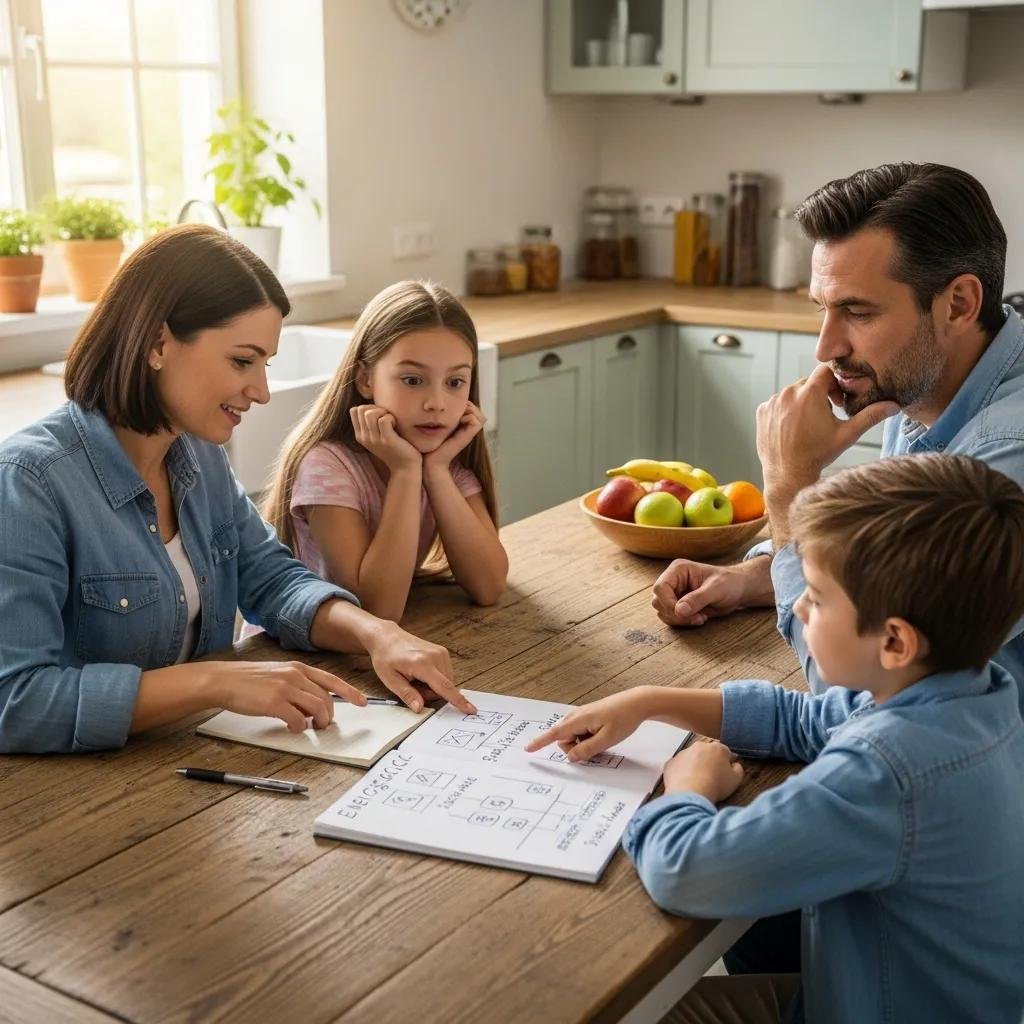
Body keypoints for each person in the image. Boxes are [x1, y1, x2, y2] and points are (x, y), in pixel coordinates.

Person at [528, 454, 1024, 1024]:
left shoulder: (886, 774)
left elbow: (689, 872)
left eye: (815, 595)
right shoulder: (976, 693)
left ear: (894, 643)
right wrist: (650, 702)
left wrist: (687, 790)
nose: (797, 606)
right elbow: (806, 720)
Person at [0, 225, 476, 755]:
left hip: (184, 759)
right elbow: (14, 701)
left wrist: (376, 634)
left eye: (265, 364)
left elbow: (272, 580)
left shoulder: (198, 454)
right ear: (158, 344)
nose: (262, 391)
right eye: (242, 361)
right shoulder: (29, 482)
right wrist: (216, 681)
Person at [651, 163, 1024, 710]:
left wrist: (787, 489)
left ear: (960, 304)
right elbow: (897, 570)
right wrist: (760, 575)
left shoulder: (1005, 457)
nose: (826, 348)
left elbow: (866, 694)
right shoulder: (921, 375)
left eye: (857, 311)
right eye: (823, 309)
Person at [259, 280, 507, 624]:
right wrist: (406, 473)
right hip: (292, 658)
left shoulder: (445, 463)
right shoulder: (327, 467)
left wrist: (434, 471)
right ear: (365, 380)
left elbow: (489, 586)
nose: (436, 403)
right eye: (412, 380)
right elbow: (377, 611)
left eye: (455, 382)